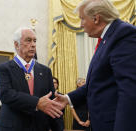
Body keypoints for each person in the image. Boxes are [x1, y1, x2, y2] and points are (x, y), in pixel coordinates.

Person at [54, 0, 136, 131]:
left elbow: (130, 90)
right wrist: (68, 98)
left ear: (96, 18)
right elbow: (98, 82)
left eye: (82, 19)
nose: (81, 25)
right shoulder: (107, 38)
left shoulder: (123, 34)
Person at [0, 27, 63, 131]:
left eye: (34, 41)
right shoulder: (4, 68)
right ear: (16, 44)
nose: (33, 44)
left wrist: (58, 128)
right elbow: (6, 95)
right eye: (28, 40)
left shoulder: (45, 71)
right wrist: (37, 103)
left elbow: (51, 103)